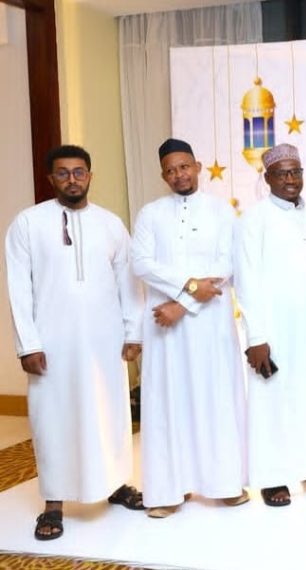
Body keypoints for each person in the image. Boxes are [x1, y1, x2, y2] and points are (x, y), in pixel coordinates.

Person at [6, 144, 145, 540]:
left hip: (104, 340)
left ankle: (115, 483)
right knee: (52, 418)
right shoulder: (28, 223)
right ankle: (53, 502)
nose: (72, 179)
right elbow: (18, 287)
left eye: (79, 172)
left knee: (109, 412)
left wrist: (133, 331)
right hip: (51, 343)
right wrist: (28, 344)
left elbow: (128, 284)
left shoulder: (110, 224)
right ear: (51, 178)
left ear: (89, 176)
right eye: (63, 173)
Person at [131, 138, 248, 517]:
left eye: (184, 166)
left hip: (208, 324)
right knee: (169, 403)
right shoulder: (150, 214)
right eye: (170, 170)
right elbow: (142, 263)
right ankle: (169, 489)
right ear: (163, 175)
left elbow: (225, 266)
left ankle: (225, 483)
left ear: (197, 167)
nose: (179, 174)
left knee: (215, 399)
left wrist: (182, 305)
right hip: (164, 328)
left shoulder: (221, 211)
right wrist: (191, 285)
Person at [234, 143, 306, 506]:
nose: (290, 179)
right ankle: (272, 478)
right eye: (282, 173)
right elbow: (246, 280)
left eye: (296, 172)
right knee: (273, 400)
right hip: (273, 328)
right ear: (267, 178)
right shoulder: (253, 219)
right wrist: (256, 337)